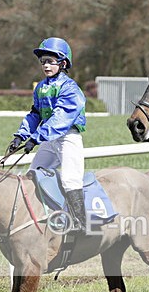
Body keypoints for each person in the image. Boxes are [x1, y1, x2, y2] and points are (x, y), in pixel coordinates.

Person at [5, 37, 88, 233]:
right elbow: (35, 114)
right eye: (43, 61)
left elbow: (61, 118)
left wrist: (35, 138)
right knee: (33, 175)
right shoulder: (41, 87)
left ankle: (80, 224)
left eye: (50, 61)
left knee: (70, 180)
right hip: (49, 140)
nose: (45, 65)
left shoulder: (70, 88)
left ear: (63, 63)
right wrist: (21, 135)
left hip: (68, 137)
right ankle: (41, 217)